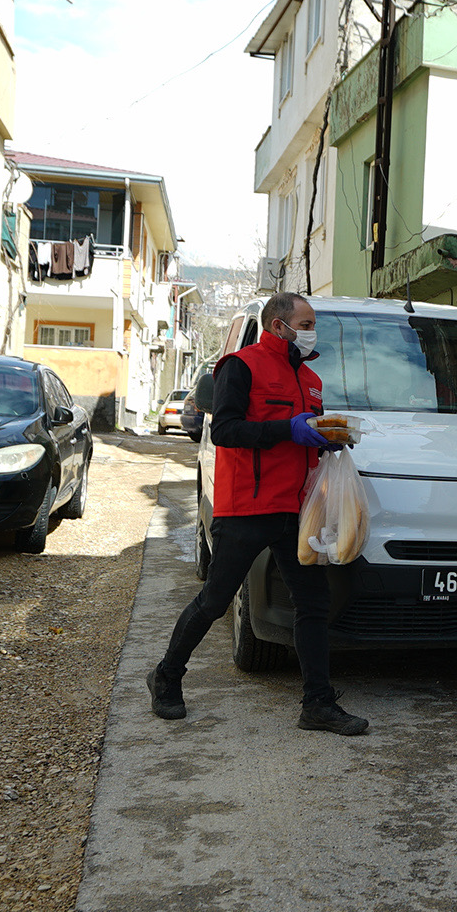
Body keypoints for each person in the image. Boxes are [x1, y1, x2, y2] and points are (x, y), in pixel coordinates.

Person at [145, 293, 368, 735]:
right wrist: (288, 429)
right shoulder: (240, 366)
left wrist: (326, 440)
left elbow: (307, 436)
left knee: (313, 602)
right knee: (215, 599)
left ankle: (318, 704)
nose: (312, 331)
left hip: (295, 508)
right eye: (306, 324)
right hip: (246, 506)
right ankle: (166, 676)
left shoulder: (311, 379)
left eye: (313, 324)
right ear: (278, 325)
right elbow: (226, 430)